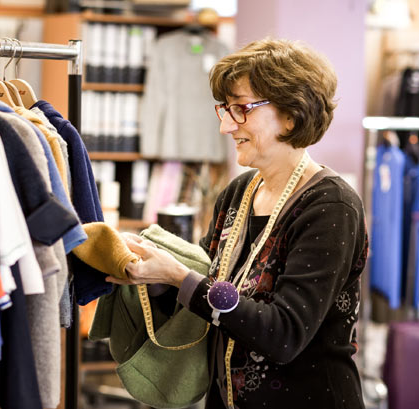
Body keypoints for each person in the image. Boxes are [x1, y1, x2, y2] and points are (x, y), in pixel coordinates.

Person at [106, 38, 368, 409]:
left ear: (291, 114)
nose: (227, 127)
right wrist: (151, 273)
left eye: (241, 109)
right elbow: (206, 300)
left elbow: (283, 335)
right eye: (225, 110)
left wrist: (179, 278)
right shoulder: (240, 193)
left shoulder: (330, 206)